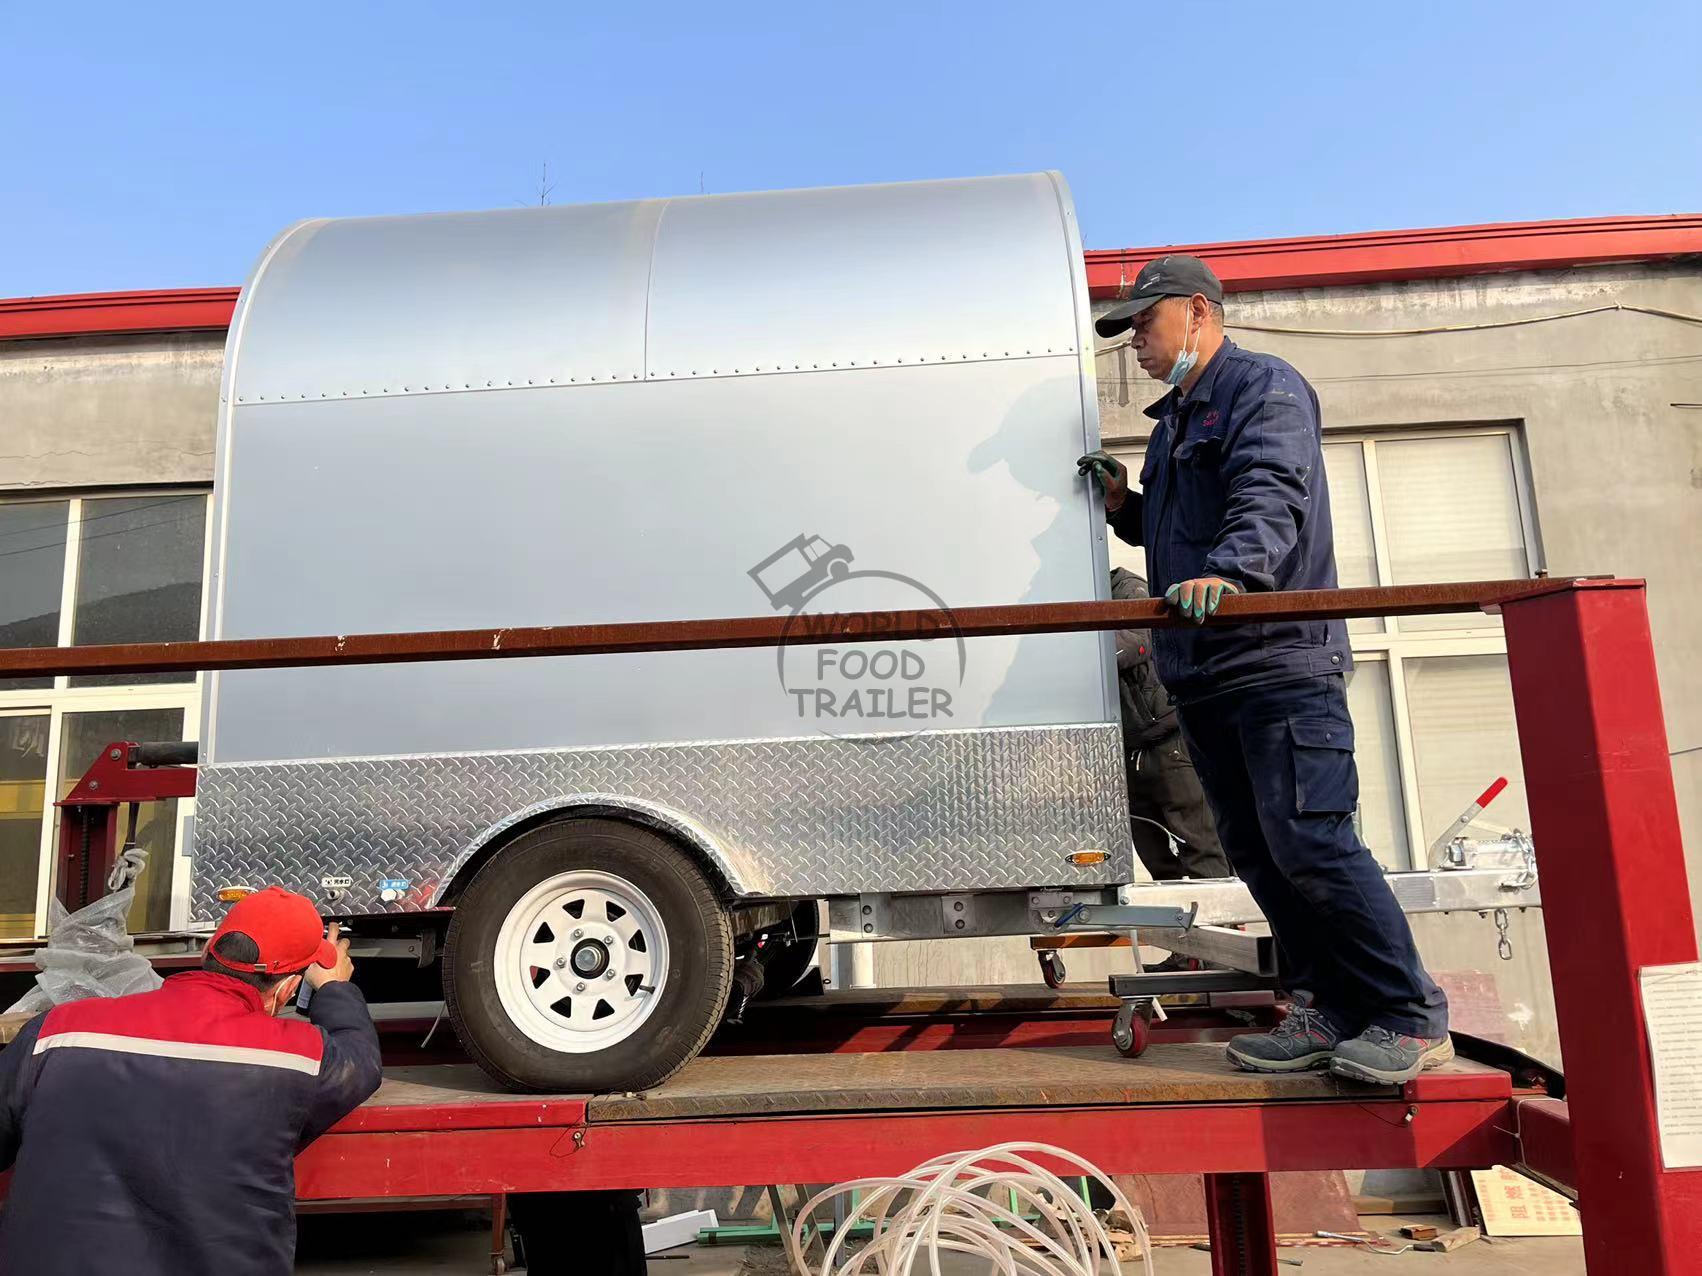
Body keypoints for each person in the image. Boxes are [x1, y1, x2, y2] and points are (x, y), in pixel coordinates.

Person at [1077, 254, 1450, 1084]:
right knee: (1256, 850)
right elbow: (1180, 538)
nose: (1133, 341)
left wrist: (1236, 574)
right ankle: (1326, 1007)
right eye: (1129, 328)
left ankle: (1409, 1014)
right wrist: (1124, 508)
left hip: (1277, 663)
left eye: (1144, 322)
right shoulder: (1177, 420)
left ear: (1199, 313)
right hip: (1203, 674)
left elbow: (1270, 496)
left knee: (1312, 842)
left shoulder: (1263, 390)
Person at [0, 886, 383, 1275]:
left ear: (207, 954)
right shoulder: (295, 1057)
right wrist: (335, 986)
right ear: (286, 989)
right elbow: (360, 1061)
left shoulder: (58, 1030)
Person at [1110, 566, 1230, 882]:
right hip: (1128, 749)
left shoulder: (1125, 586)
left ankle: (1222, 924)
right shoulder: (1087, 594)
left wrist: (1073, 647)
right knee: (1155, 858)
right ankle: (1182, 929)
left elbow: (1140, 640)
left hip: (1168, 743)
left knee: (1200, 847)